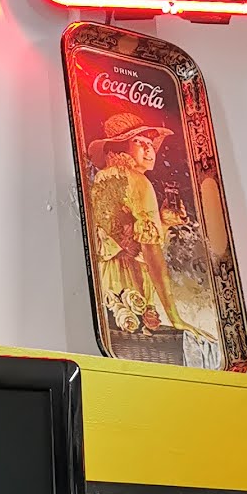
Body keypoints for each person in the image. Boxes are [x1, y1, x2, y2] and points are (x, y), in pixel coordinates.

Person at [87, 112, 180, 332]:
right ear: (121, 148)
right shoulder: (137, 180)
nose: (149, 149)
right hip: (128, 276)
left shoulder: (106, 175)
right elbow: (149, 249)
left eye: (149, 143)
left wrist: (164, 223)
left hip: (111, 273)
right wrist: (175, 317)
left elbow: (125, 237)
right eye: (138, 142)